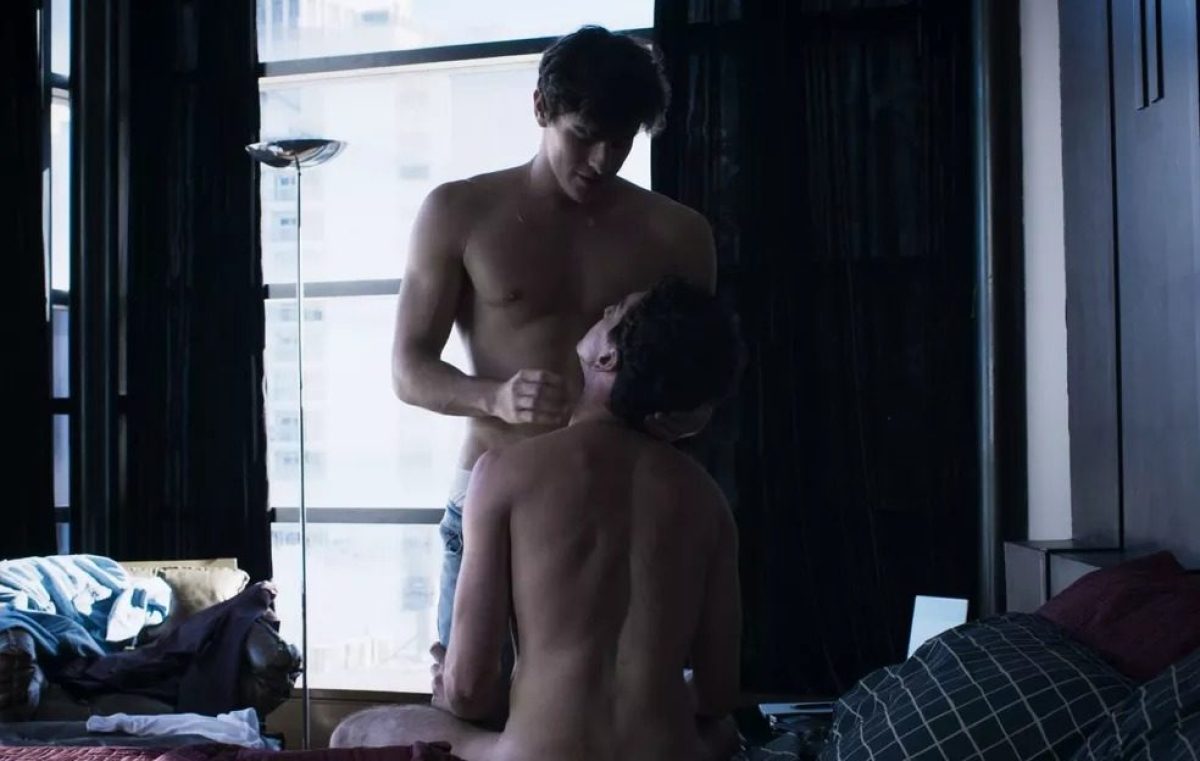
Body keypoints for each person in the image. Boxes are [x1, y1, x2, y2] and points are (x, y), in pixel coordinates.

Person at [388, 25, 717, 648]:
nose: (601, 161)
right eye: (584, 135)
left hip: (622, 504)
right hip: (492, 499)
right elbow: (407, 370)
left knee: (615, 702)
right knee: (470, 695)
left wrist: (683, 417)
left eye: (620, 142)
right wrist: (494, 397)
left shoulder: (678, 234)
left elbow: (700, 386)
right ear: (541, 107)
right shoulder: (459, 213)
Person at [334, 279, 743, 761]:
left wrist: (449, 683)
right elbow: (718, 694)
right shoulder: (706, 499)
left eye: (614, 311)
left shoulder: (504, 473)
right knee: (722, 732)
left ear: (607, 357)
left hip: (538, 754)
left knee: (353, 733)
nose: (604, 308)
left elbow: (469, 691)